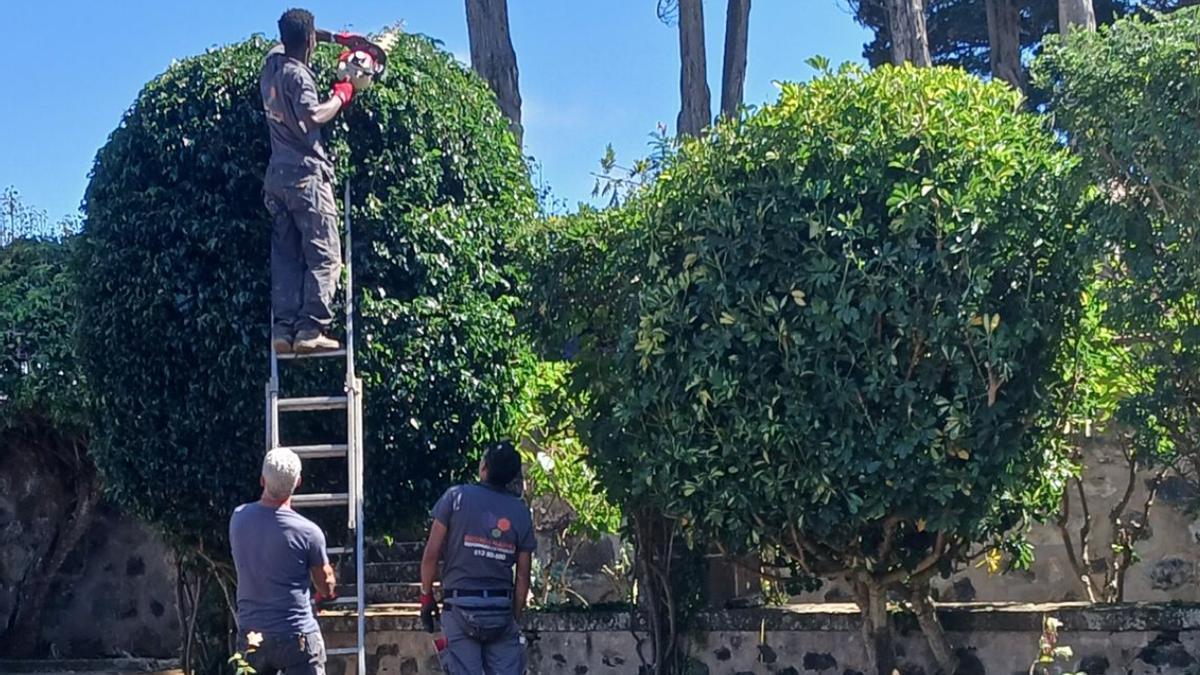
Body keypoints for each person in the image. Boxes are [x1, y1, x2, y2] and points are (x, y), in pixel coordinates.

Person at [261, 8, 355, 354]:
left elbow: (281, 41)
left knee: (286, 257)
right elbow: (313, 116)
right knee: (326, 256)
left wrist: (337, 39)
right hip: (306, 177)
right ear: (311, 40)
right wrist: (343, 93)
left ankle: (283, 331)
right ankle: (311, 329)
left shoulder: (271, 67)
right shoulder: (299, 76)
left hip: (277, 178)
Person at [419, 442, 536, 674]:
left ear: (484, 468)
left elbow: (431, 555)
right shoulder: (520, 511)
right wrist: (513, 617)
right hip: (500, 608)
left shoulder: (456, 497)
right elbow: (523, 576)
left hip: (460, 607)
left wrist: (426, 596)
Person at [230, 448, 336, 675]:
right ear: (298, 482)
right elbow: (326, 587)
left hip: (252, 635)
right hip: (296, 636)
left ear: (262, 480)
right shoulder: (309, 533)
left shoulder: (238, 518)